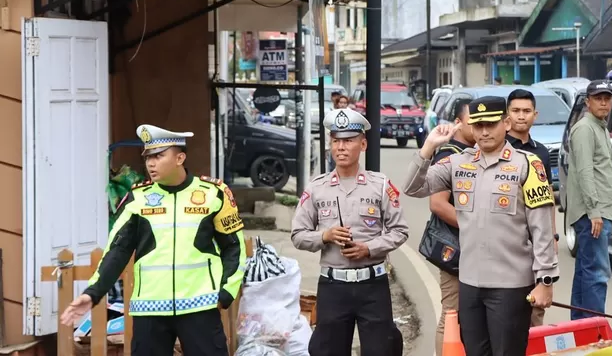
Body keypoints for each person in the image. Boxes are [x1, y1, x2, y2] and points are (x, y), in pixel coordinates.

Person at [61, 124, 246, 356]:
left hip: (201, 306)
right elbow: (116, 251)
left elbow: (234, 248)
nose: (150, 163)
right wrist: (93, 293)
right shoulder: (138, 198)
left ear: (180, 157)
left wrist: (226, 293)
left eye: (158, 156)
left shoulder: (214, 193)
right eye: (148, 157)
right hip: (149, 309)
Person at [403, 96, 558, 356]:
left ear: (506, 124)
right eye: (478, 125)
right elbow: (413, 187)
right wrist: (428, 147)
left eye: (491, 124)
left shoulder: (527, 165)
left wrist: (545, 280)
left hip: (511, 286)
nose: (484, 131)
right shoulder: (458, 162)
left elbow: (541, 228)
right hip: (470, 284)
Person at [291, 108, 409, 356]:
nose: (341, 147)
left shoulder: (381, 186)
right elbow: (298, 235)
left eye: (348, 140)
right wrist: (325, 236)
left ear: (363, 144)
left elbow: (400, 231)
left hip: (372, 285)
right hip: (334, 286)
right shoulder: (317, 188)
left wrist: (370, 248)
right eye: (336, 141)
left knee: (382, 350)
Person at [566, 79, 612, 320]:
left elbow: (606, 173)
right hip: (592, 214)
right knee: (597, 274)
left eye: (607, 98)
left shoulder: (599, 127)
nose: (603, 102)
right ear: (587, 102)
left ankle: (580, 326)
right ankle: (594, 328)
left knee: (585, 272)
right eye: (598, 98)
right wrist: (595, 212)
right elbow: (585, 173)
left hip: (602, 211)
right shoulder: (584, 129)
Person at [505, 89, 559, 327]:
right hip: (506, 240)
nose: (521, 116)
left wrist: (553, 236)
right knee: (508, 311)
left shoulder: (541, 153)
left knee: (536, 310)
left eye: (526, 111)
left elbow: (546, 200)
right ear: (507, 115)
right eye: (515, 111)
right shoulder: (499, 147)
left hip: (535, 242)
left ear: (535, 115)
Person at [426, 98, 474, 355]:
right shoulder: (448, 155)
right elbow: (438, 204)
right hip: (456, 250)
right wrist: (476, 228)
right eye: (472, 122)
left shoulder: (479, 154)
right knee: (452, 316)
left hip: (479, 252)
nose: (479, 128)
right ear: (458, 123)